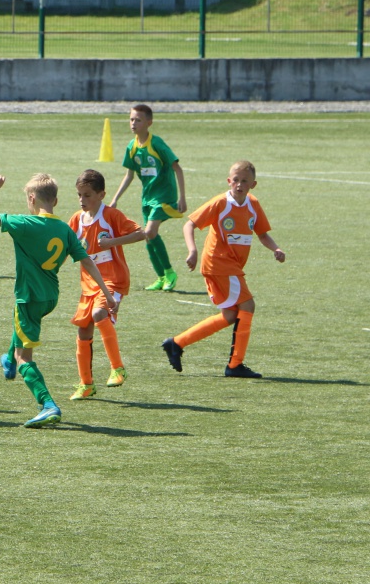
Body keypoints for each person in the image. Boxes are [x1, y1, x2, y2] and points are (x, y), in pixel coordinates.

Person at [0, 173, 119, 428]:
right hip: (50, 297)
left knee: (26, 356)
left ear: (31, 198)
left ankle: (47, 404)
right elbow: (87, 261)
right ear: (55, 201)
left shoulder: (26, 223)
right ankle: (9, 361)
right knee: (21, 325)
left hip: (29, 297)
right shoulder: (65, 229)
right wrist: (108, 295)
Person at [162, 160, 286, 378]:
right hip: (218, 263)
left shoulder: (253, 205)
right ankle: (235, 364)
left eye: (244, 181)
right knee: (248, 305)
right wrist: (192, 251)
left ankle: (177, 343)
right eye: (235, 180)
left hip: (229, 266)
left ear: (252, 185)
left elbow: (263, 234)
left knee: (230, 315)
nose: (239, 184)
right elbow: (189, 224)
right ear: (229, 181)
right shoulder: (220, 203)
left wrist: (275, 248)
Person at [67, 169, 146, 400]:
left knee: (100, 313)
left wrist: (112, 242)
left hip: (113, 279)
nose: (82, 200)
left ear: (101, 195)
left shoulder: (111, 216)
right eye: (79, 195)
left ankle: (118, 368)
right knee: (83, 329)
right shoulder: (76, 220)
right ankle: (86, 384)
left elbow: (140, 234)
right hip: (89, 284)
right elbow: (67, 245)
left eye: (87, 195)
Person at [108, 104, 186, 292]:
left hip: (164, 196)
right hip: (147, 198)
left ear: (149, 123)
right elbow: (129, 175)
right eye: (131, 119)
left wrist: (182, 197)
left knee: (150, 232)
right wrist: (115, 198)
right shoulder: (132, 147)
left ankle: (170, 272)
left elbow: (177, 168)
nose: (133, 123)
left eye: (138, 120)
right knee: (148, 237)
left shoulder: (156, 143)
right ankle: (161, 277)